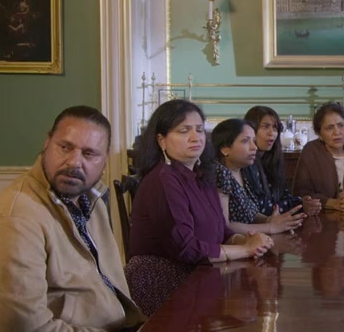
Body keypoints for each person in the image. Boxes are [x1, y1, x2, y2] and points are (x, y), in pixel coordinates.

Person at [0, 106, 144, 332]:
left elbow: (105, 282)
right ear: (47, 143)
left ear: (104, 160)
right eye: (65, 147)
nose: (74, 162)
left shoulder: (89, 198)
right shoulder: (15, 220)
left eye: (89, 153)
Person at [127, 100, 274, 316]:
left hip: (200, 273)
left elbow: (222, 230)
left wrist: (248, 240)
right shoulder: (163, 180)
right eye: (184, 131)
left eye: (199, 129)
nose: (196, 137)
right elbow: (187, 249)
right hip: (165, 282)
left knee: (255, 304)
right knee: (245, 310)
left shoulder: (201, 175)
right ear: (162, 140)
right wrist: (245, 249)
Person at [209, 118, 306, 234]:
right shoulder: (220, 173)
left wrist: (270, 220)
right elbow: (226, 225)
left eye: (254, 141)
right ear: (225, 149)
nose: (254, 147)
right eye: (245, 141)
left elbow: (250, 213)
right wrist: (271, 227)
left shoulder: (243, 170)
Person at [244, 105, 320, 215]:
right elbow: (261, 208)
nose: (271, 133)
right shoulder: (246, 163)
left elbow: (284, 195)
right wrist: (298, 205)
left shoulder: (272, 161)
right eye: (265, 127)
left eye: (275, 128)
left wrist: (303, 202)